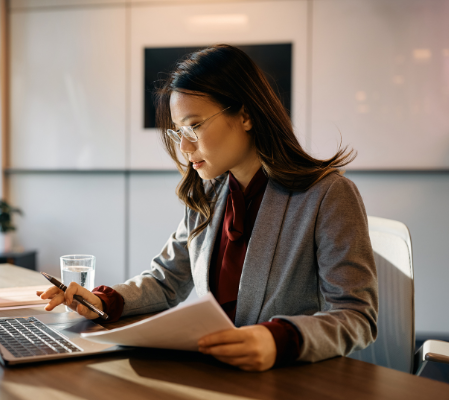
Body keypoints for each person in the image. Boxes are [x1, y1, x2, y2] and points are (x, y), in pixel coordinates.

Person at [39, 44, 378, 372]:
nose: (185, 146)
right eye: (178, 132)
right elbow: (167, 280)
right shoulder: (209, 192)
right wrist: (101, 302)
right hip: (218, 372)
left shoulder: (328, 195)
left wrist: (278, 339)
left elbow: (356, 315)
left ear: (245, 115)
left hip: (291, 378)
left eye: (195, 126)